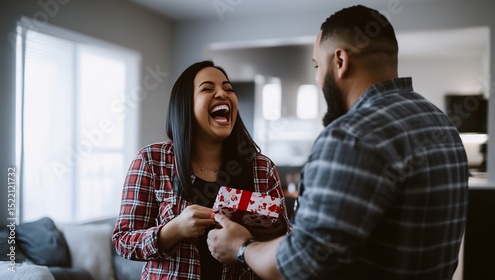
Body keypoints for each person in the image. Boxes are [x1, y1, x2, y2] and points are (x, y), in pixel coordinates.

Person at [207, 5, 468, 280]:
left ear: (340, 61)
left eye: (318, 65)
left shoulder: (350, 135)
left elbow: (303, 264)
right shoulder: (442, 125)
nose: (319, 78)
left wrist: (242, 248)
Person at [112, 60, 291, 280]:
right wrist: (173, 230)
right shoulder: (152, 161)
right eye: (207, 88)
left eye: (228, 89)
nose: (222, 94)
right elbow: (123, 241)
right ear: (185, 104)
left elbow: (287, 241)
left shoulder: (262, 168)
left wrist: (248, 243)